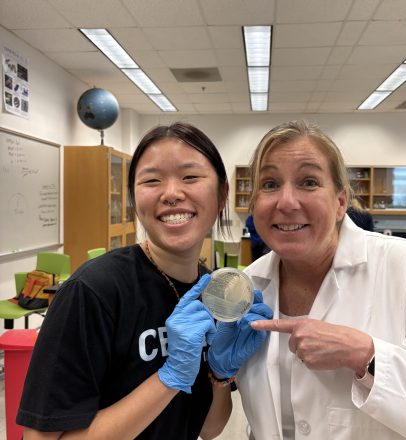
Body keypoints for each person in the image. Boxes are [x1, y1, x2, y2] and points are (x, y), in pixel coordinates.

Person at [16, 122, 271, 440]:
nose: (172, 194)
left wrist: (219, 374)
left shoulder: (213, 292)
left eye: (190, 177)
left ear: (222, 195)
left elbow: (210, 428)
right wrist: (170, 377)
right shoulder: (94, 292)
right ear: (135, 201)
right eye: (152, 180)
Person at [234, 120, 406, 439]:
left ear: (340, 202)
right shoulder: (248, 285)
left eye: (309, 182)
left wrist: (366, 355)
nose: (286, 201)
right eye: (270, 184)